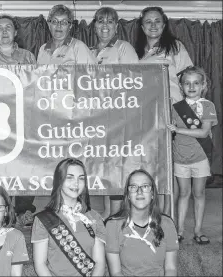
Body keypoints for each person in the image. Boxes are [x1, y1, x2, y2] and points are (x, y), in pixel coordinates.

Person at [0, 14, 36, 228]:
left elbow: (35, 88)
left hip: (22, 120)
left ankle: (23, 211)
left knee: (24, 166)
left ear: (16, 32)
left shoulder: (28, 56)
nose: (4, 31)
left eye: (8, 27)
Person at [135, 6, 193, 214]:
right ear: (142, 26)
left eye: (157, 21)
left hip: (173, 113)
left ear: (164, 23)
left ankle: (169, 217)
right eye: (148, 22)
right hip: (147, 115)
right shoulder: (136, 51)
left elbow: (189, 81)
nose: (153, 25)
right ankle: (154, 214)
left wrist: (190, 116)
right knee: (153, 167)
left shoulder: (175, 47)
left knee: (170, 168)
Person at [89, 6, 139, 220]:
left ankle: (116, 213)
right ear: (94, 26)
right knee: (101, 163)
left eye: (110, 21)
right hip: (95, 116)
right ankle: (107, 211)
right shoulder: (88, 51)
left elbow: (135, 79)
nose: (105, 26)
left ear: (117, 26)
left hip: (119, 116)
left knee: (116, 164)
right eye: (101, 21)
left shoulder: (123, 48)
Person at [166, 66, 217, 245]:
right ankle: (179, 231)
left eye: (196, 83)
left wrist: (178, 129)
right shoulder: (175, 107)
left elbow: (204, 133)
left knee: (199, 193)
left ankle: (198, 230)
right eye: (187, 83)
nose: (192, 86)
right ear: (181, 87)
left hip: (200, 157)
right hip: (180, 157)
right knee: (183, 194)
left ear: (203, 85)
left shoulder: (208, 106)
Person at [31, 158, 106, 276]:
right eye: (69, 177)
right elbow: (40, 265)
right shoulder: (43, 219)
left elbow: (100, 263)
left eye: (81, 178)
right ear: (59, 180)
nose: (76, 183)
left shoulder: (94, 217)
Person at [105, 169, 178, 276]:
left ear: (152, 194)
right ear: (128, 195)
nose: (139, 191)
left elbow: (171, 269)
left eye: (145, 186)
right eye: (133, 187)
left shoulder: (167, 224)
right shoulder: (112, 226)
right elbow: (116, 273)